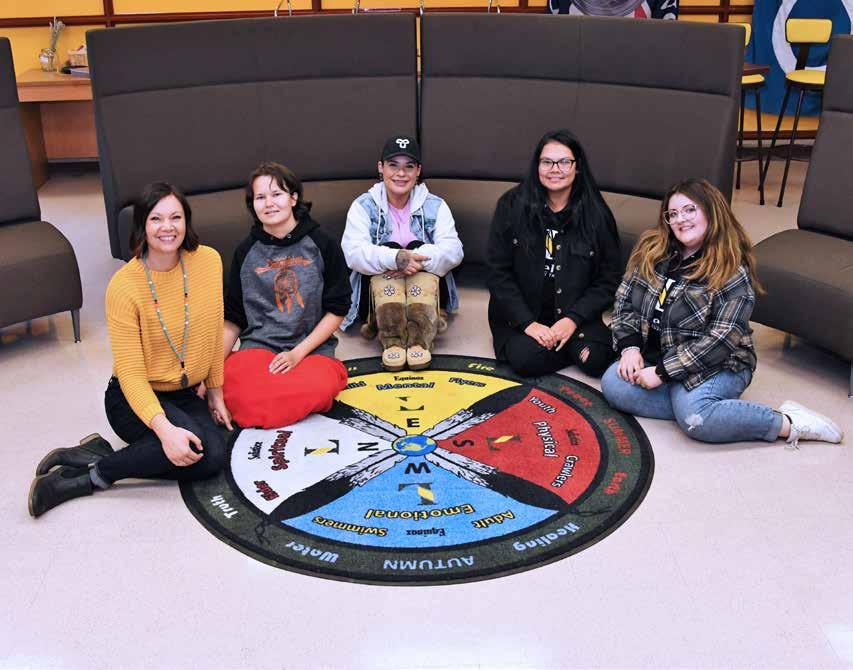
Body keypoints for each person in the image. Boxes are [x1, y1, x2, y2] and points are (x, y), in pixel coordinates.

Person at [28, 183, 230, 517]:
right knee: (193, 447)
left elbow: (213, 330)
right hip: (130, 398)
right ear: (141, 226)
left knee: (211, 456)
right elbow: (131, 374)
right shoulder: (123, 286)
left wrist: (216, 391)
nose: (167, 227)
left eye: (176, 217)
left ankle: (96, 452)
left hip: (183, 393)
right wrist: (164, 430)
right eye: (156, 219)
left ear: (187, 221)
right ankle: (86, 478)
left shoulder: (208, 261)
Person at [601, 177, 843, 447]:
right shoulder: (652, 250)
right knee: (613, 384)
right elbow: (624, 300)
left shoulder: (732, 269)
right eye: (673, 214)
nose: (681, 219)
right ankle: (692, 405)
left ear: (711, 211)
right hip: (664, 357)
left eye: (690, 210)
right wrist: (630, 348)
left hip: (720, 363)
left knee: (697, 419)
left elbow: (720, 340)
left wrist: (660, 374)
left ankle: (788, 422)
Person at [222, 162, 351, 429]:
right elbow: (233, 318)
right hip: (258, 347)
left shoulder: (323, 244)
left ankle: (268, 405)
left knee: (318, 387)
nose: (269, 203)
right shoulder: (244, 251)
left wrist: (296, 354)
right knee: (232, 385)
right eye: (260, 197)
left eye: (277, 194)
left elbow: (338, 309)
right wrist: (212, 378)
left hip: (311, 349)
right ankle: (270, 403)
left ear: (293, 198)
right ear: (252, 205)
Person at [487, 128, 621, 378]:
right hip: (526, 313)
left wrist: (572, 320)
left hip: (573, 313)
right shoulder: (511, 205)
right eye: (547, 162)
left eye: (564, 162)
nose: (555, 169)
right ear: (537, 166)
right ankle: (567, 346)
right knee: (526, 359)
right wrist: (528, 324)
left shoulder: (597, 214)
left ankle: (564, 341)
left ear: (577, 167)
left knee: (596, 360)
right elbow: (497, 273)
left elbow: (609, 279)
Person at [341, 133, 463, 371]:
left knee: (416, 246)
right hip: (377, 296)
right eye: (393, 165)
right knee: (391, 249)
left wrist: (415, 260)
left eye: (409, 166)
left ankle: (420, 339)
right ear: (381, 168)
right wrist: (395, 258)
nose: (401, 173)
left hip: (425, 286)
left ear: (418, 171)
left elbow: (454, 250)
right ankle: (392, 341)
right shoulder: (363, 205)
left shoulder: (436, 205)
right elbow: (352, 253)